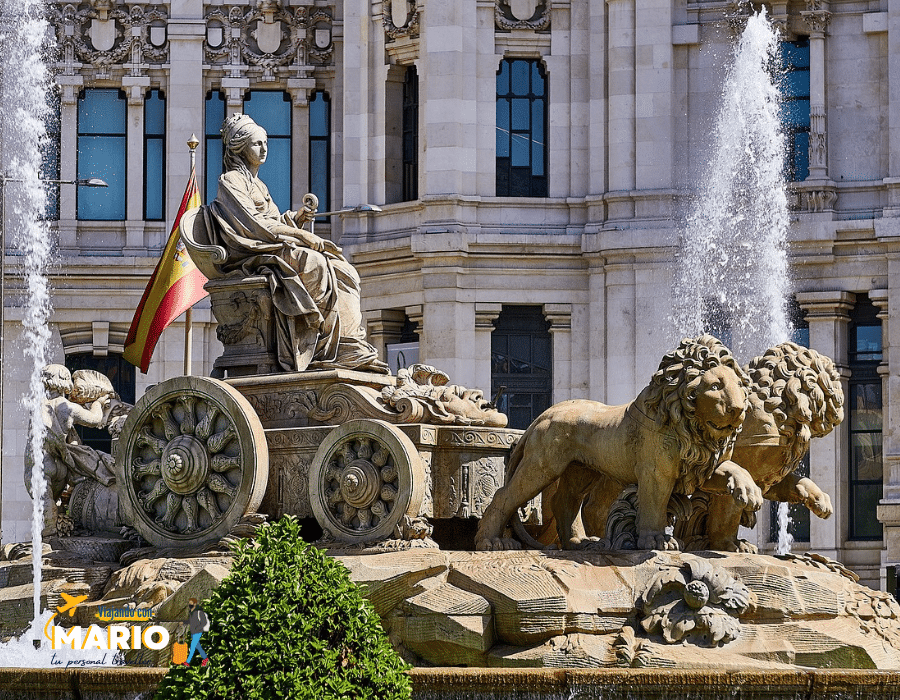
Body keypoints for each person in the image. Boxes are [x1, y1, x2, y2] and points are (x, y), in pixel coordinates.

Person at [206, 113, 388, 374]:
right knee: (315, 263)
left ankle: (346, 341)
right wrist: (302, 236)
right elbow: (253, 226)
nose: (264, 148)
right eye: (257, 143)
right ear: (240, 146)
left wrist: (295, 219)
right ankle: (320, 345)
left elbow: (271, 221)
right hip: (252, 254)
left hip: (272, 247)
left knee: (342, 268)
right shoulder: (231, 181)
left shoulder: (258, 184)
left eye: (266, 142)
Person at [25, 365, 115, 536]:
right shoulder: (68, 407)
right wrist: (98, 403)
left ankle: (48, 539)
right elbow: (96, 420)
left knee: (45, 502)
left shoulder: (36, 405)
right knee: (58, 505)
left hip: (42, 464)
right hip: (62, 466)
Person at [183, 597, 210, 667]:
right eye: (189, 603)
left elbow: (204, 622)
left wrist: (197, 628)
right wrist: (183, 622)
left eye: (191, 603)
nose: (189, 604)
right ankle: (205, 658)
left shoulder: (199, 612)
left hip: (197, 632)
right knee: (198, 647)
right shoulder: (191, 612)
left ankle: (187, 662)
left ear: (194, 603)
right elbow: (190, 621)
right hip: (193, 632)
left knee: (192, 647)